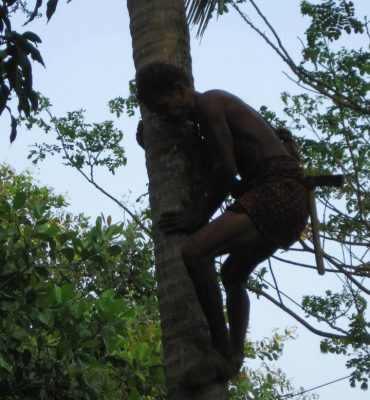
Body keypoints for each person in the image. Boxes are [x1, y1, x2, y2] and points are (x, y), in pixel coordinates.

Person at [136, 63, 309, 387]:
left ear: (179, 89)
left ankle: (220, 352)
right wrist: (152, 141)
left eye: (165, 107)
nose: (169, 116)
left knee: (195, 252)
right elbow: (209, 162)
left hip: (278, 193)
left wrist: (197, 218)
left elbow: (225, 170)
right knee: (232, 275)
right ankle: (234, 357)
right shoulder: (207, 120)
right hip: (286, 202)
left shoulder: (211, 103)